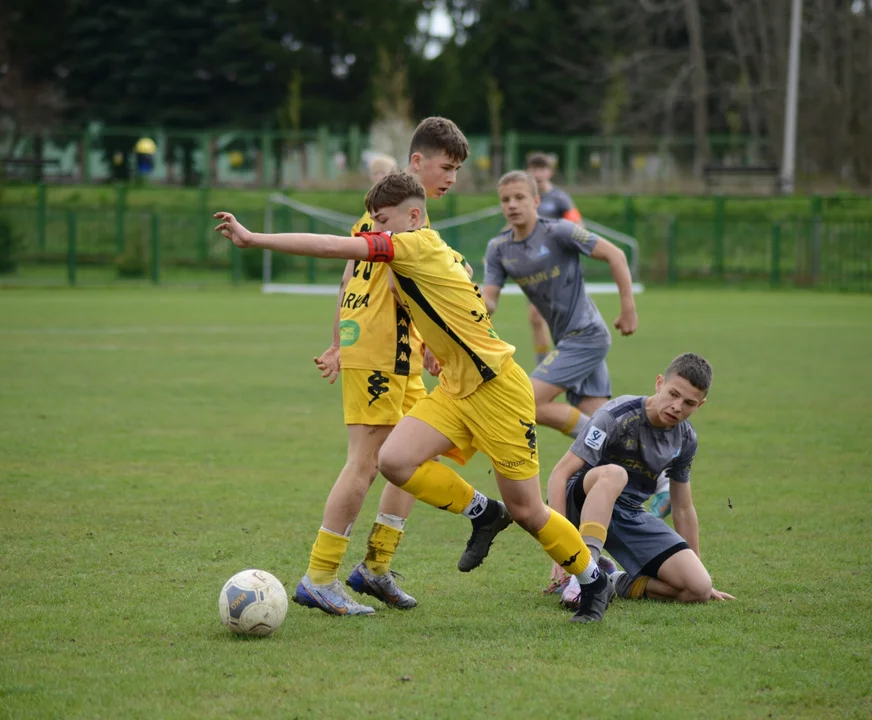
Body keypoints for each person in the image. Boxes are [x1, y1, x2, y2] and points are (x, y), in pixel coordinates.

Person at [215, 171, 615, 623]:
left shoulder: (413, 244)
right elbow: (443, 299)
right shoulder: (421, 252)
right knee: (393, 460)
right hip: (455, 389)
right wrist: (432, 347)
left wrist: (255, 238)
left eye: (382, 222)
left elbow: (331, 247)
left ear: (412, 215)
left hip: (498, 391)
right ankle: (483, 512)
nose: (375, 230)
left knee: (527, 509)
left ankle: (592, 578)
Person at [293, 118, 471, 616]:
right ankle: (320, 577)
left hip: (398, 356)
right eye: (446, 166)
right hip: (380, 357)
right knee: (366, 463)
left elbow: (352, 272)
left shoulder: (385, 212)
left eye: (457, 168)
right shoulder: (401, 217)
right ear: (418, 161)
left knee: (412, 459)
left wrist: (337, 340)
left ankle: (375, 567)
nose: (452, 177)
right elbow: (394, 285)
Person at [546, 353, 735, 605]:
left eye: (689, 403)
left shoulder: (685, 438)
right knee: (615, 474)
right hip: (580, 502)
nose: (678, 406)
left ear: (699, 406)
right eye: (673, 394)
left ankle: (610, 581)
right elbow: (559, 475)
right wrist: (559, 547)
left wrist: (697, 567)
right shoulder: (617, 415)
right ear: (659, 383)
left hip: (628, 513)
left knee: (697, 588)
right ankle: (586, 574)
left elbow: (682, 506)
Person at [482, 171, 638, 442]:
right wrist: (464, 301)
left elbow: (616, 254)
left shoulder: (559, 232)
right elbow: (490, 301)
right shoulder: (498, 248)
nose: (512, 205)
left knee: (524, 401)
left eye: (520, 197)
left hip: (587, 334)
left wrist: (628, 309)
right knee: (603, 418)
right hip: (566, 340)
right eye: (505, 199)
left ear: (536, 200)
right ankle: (650, 471)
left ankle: (595, 445)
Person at [525, 152, 582, 366]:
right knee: (535, 318)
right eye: (533, 168)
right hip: (532, 267)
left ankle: (568, 360)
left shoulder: (560, 199)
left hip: (557, 267)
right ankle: (543, 364)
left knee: (557, 318)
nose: (538, 173)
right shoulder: (525, 198)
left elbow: (578, 227)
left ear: (550, 172)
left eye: (542, 169)